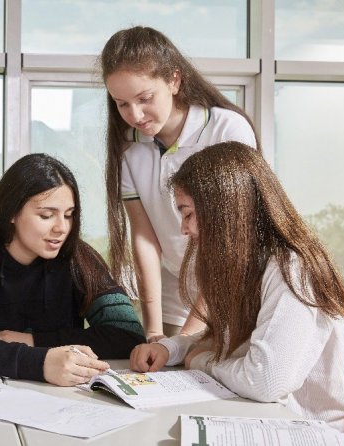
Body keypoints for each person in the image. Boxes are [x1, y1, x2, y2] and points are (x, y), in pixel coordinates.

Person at [130, 142, 344, 439]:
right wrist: (170, 348)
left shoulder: (293, 269)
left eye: (187, 214)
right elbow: (228, 340)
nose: (184, 229)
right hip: (263, 421)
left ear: (223, 211)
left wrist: (199, 361)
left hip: (310, 434)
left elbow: (266, 381)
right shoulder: (252, 264)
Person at [0, 154, 146, 386]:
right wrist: (41, 363)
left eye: (69, 215)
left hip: (64, 399)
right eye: (46, 215)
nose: (62, 227)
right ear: (12, 212)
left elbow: (128, 334)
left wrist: (32, 341)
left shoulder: (80, 259)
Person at [101, 26, 259, 342]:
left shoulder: (227, 130)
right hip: (174, 296)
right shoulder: (129, 147)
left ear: (174, 80)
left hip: (233, 289)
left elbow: (229, 240)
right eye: (122, 104)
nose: (135, 114)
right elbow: (144, 238)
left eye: (145, 98)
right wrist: (154, 331)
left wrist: (184, 339)